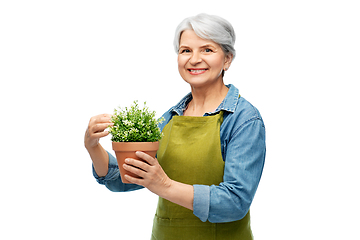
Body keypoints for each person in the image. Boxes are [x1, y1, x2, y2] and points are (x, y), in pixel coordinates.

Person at [84, 13, 266, 240]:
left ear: (227, 59)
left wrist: (165, 186)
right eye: (186, 50)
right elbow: (124, 180)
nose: (194, 59)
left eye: (207, 50)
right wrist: (92, 146)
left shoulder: (243, 119)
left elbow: (235, 202)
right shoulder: (169, 119)